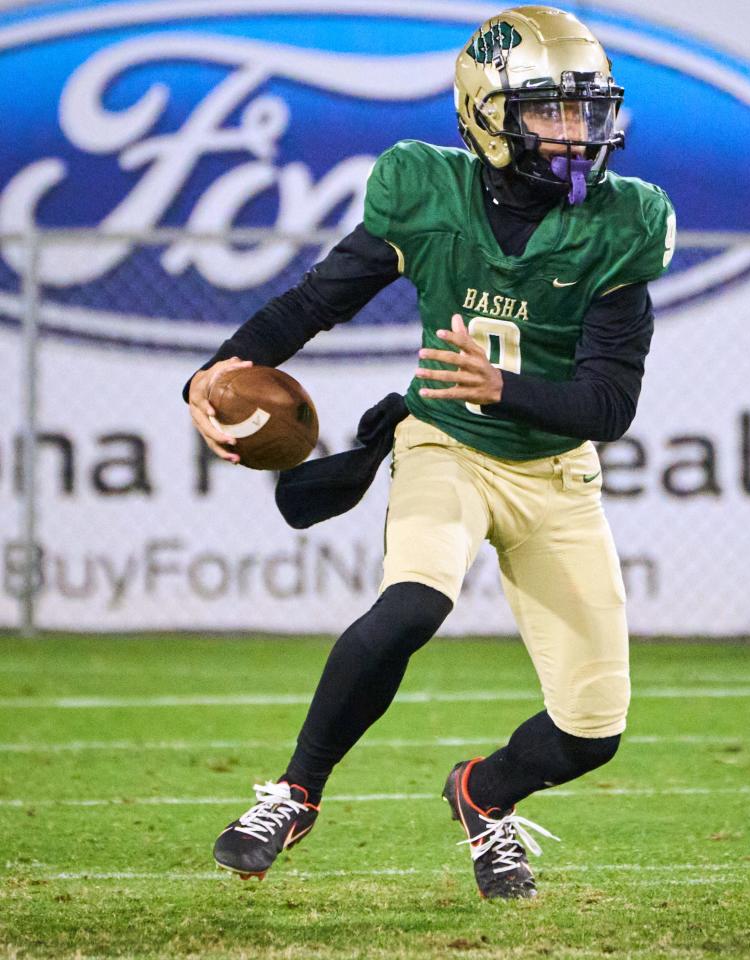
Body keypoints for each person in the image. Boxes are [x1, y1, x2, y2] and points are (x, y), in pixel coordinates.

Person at [185, 6, 674, 898]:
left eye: (586, 110)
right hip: (445, 440)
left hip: (557, 474)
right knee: (413, 603)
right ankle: (294, 792)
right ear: (488, 113)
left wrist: (506, 388)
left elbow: (609, 404)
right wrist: (211, 373)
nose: (577, 132)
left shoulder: (624, 221)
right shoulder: (425, 190)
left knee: (593, 729)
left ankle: (484, 796)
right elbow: (313, 300)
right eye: (550, 111)